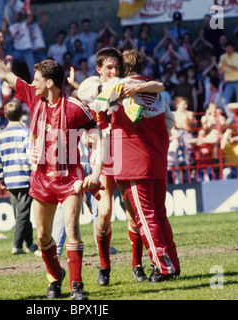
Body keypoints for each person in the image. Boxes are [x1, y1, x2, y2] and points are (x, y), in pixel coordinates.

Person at [0, 32, 104, 300]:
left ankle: (77, 288)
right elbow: (5, 74)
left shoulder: (75, 108)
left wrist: (95, 173)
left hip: (69, 179)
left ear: (50, 83)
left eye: (37, 79)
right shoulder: (34, 98)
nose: (32, 84)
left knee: (72, 229)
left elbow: (99, 138)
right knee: (43, 236)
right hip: (41, 179)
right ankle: (56, 276)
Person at [77, 47, 170, 286]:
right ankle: (104, 266)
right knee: (105, 213)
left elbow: (158, 86)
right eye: (109, 67)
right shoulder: (94, 84)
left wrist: (136, 86)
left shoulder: (124, 84)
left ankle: (136, 265)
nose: (114, 71)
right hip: (101, 155)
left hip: (121, 152)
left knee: (133, 215)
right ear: (99, 69)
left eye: (117, 67)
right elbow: (83, 92)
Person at [0, 101, 37, 255]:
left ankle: (30, 244)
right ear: (22, 114)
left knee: (20, 214)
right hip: (24, 178)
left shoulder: (0, 136)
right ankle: (16, 245)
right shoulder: (26, 132)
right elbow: (31, 157)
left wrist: (1, 180)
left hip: (10, 180)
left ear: (5, 116)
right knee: (23, 215)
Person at [219, 40, 238, 122]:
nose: (229, 49)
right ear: (225, 48)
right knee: (224, 100)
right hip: (229, 82)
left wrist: (226, 65)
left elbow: (236, 68)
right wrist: (223, 66)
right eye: (227, 47)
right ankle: (231, 117)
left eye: (230, 47)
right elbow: (220, 69)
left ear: (233, 48)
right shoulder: (222, 57)